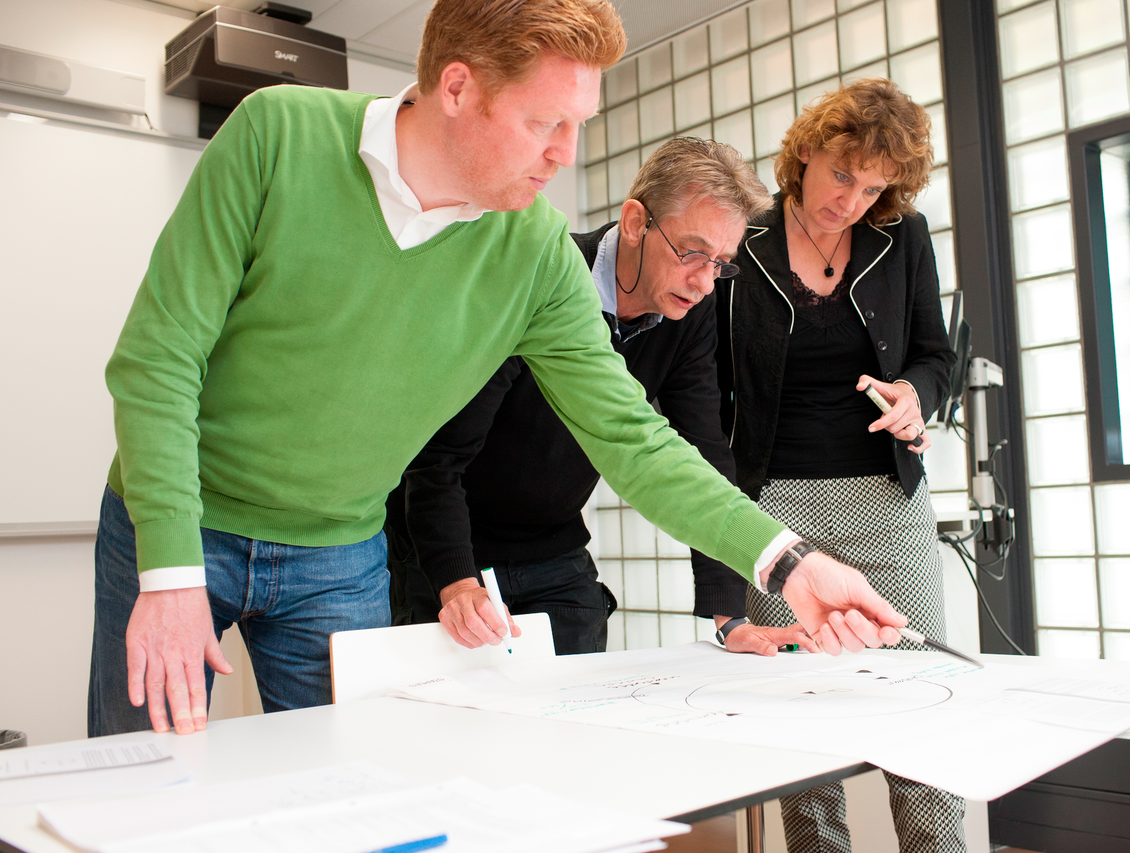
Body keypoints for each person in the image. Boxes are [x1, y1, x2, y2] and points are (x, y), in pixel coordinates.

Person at [90, 0, 908, 741]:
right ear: (457, 88)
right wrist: (168, 568)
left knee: (348, 797)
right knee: (146, 775)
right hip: (180, 516)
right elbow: (159, 358)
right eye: (544, 122)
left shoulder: (535, 252)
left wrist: (789, 564)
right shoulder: (278, 134)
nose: (564, 154)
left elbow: (636, 440)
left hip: (339, 550)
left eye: (577, 124)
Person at [386, 137, 816, 657]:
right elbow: (437, 455)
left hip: (555, 549)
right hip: (447, 547)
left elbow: (701, 452)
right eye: (693, 253)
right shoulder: (542, 275)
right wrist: (455, 580)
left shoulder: (689, 308)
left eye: (721, 262)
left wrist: (730, 619)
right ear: (635, 222)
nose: (705, 282)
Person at [714, 79, 962, 853]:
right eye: (842, 176)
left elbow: (935, 356)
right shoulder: (745, 242)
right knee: (802, 713)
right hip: (775, 503)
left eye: (875, 187)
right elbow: (710, 380)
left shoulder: (904, 237)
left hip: (886, 498)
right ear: (807, 152)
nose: (852, 201)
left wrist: (917, 398)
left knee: (921, 697)